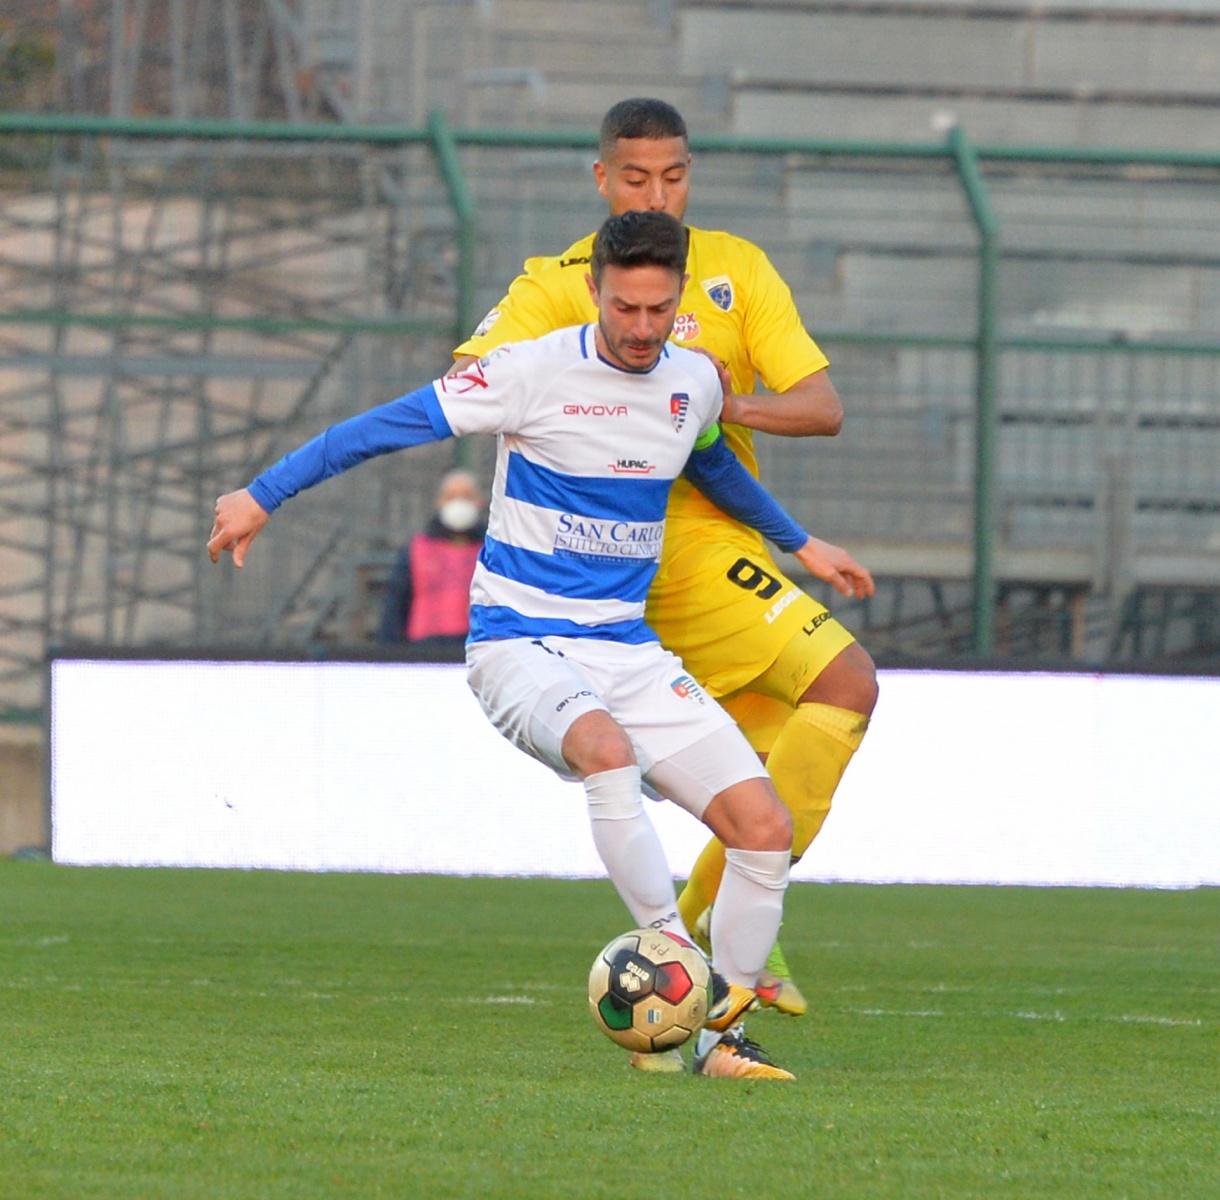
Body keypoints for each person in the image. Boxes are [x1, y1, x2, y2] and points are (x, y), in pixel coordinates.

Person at [208, 211, 873, 1080]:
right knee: (607, 752)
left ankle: (720, 1040)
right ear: (594, 291)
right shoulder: (530, 371)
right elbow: (382, 426)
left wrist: (799, 541)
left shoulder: (694, 382)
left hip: (627, 648)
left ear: (677, 305)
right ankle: (679, 960)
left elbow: (709, 463)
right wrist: (262, 494)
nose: (640, 329)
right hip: (519, 640)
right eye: (624, 307)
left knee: (762, 826)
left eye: (658, 311)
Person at [452, 97, 880, 1021]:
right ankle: (710, 950)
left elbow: (820, 404)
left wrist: (727, 413)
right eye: (639, 177)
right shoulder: (564, 282)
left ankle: (708, 957)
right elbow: (472, 374)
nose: (661, 193)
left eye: (675, 175)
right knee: (845, 682)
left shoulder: (736, 268)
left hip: (726, 537)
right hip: (644, 557)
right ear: (601, 180)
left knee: (778, 760)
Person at [377, 467, 486, 652]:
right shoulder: (417, 548)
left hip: (479, 650)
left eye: (466, 496)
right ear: (439, 502)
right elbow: (396, 604)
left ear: (479, 502)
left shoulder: (493, 551)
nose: (459, 503)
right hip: (424, 652)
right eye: (451, 497)